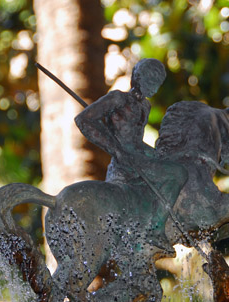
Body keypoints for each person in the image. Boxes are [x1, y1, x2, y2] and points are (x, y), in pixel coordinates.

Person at [74, 59, 187, 251]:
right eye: (151, 80)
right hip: (123, 162)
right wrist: (116, 150)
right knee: (178, 174)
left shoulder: (146, 107)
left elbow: (136, 141)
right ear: (137, 78)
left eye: (158, 82)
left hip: (140, 158)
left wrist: (154, 154)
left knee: (177, 166)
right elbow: (83, 119)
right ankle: (154, 230)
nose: (154, 87)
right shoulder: (117, 99)